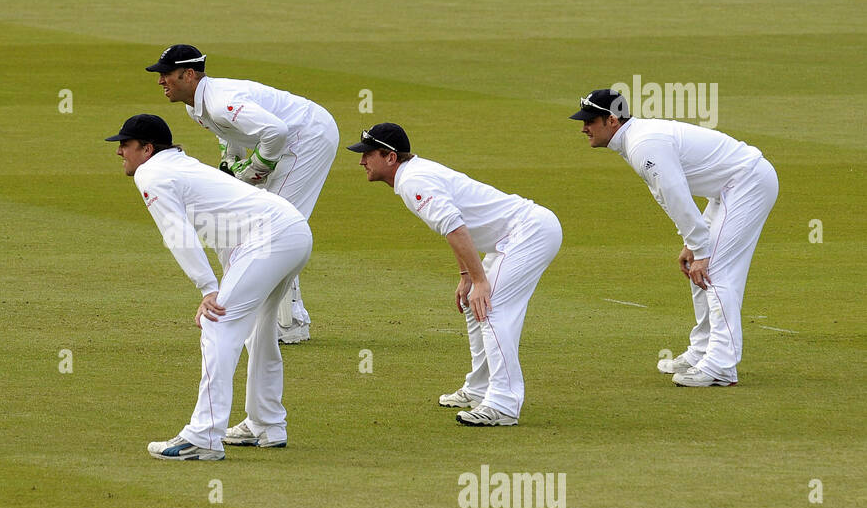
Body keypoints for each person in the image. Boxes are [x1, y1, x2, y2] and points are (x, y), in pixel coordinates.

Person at [108, 114, 313, 458]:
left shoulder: (152, 172)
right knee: (259, 331)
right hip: (292, 230)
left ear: (146, 149)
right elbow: (223, 230)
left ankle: (203, 437)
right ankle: (267, 424)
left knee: (215, 323)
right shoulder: (181, 165)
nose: (119, 153)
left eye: (125, 145)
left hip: (271, 237)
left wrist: (208, 289)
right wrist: (223, 281)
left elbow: (178, 233)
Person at [353, 123, 562, 426]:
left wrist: (479, 281)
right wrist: (467, 276)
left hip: (528, 233)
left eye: (367, 154)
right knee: (473, 305)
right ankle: (479, 389)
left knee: (490, 308)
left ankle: (503, 403)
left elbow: (455, 227)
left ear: (390, 157)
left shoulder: (414, 181)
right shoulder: (412, 175)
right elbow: (454, 224)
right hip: (515, 235)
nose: (361, 162)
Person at [571, 89, 779, 387]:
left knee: (715, 270)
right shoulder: (636, 140)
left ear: (612, 120)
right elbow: (670, 196)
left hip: (747, 182)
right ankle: (703, 350)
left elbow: (677, 195)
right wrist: (691, 244)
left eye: (590, 120)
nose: (583, 127)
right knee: (699, 263)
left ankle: (721, 366)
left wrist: (701, 248)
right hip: (727, 188)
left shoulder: (643, 144)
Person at [145, 44, 338, 346]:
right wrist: (231, 166)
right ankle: (282, 319)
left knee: (278, 229)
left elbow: (276, 131)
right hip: (290, 140)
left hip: (308, 137)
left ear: (190, 74)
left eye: (166, 74)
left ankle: (290, 325)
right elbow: (229, 135)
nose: (160, 81)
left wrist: (257, 168)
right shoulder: (195, 106)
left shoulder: (221, 102)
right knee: (258, 226)